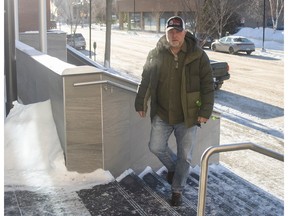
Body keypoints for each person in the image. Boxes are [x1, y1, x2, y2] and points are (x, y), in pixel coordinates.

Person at [134, 16, 214, 206]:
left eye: (178, 31)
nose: (175, 35)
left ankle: (177, 190)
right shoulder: (155, 54)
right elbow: (145, 79)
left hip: (188, 116)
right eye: (171, 31)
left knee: (185, 156)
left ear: (185, 33)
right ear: (166, 34)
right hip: (162, 113)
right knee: (156, 146)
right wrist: (140, 102)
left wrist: (205, 111)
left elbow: (208, 86)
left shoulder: (198, 56)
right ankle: (174, 168)